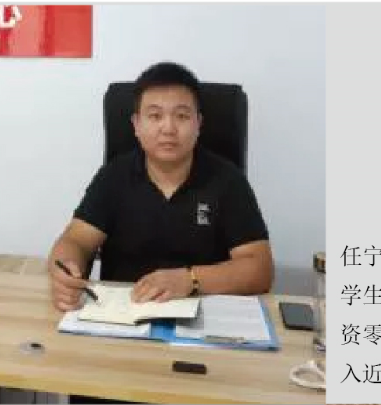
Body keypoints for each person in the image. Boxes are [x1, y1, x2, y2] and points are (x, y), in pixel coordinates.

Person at [46, 61, 273, 404]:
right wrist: (65, 270)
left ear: (199, 123)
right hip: (119, 334)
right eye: (155, 116)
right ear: (136, 125)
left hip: (201, 344)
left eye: (181, 116)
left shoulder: (227, 181)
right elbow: (75, 240)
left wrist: (190, 279)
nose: (168, 128)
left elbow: (259, 268)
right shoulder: (114, 177)